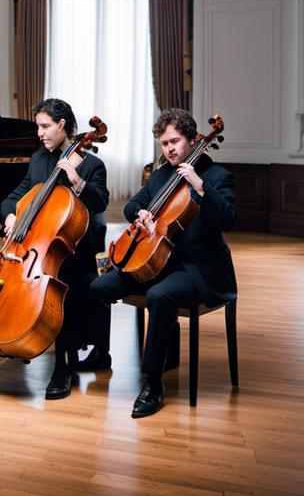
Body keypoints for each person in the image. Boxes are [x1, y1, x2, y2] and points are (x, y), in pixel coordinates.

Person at [91, 108, 236, 418]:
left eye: (174, 141)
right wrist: (139, 215)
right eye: (164, 144)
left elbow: (230, 219)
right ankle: (99, 353)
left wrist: (200, 187)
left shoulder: (217, 176)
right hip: (158, 261)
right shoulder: (161, 175)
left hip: (198, 270)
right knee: (99, 286)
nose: (169, 149)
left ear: (192, 139)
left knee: (160, 296)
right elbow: (132, 205)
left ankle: (152, 384)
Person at [0, 99, 110, 400]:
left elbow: (100, 202)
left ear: (63, 126)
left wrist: (75, 178)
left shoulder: (91, 163)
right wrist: (10, 213)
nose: (40, 133)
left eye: (45, 126)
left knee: (66, 288)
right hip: (42, 247)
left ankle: (63, 368)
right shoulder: (38, 159)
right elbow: (16, 196)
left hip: (77, 249)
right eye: (38, 126)